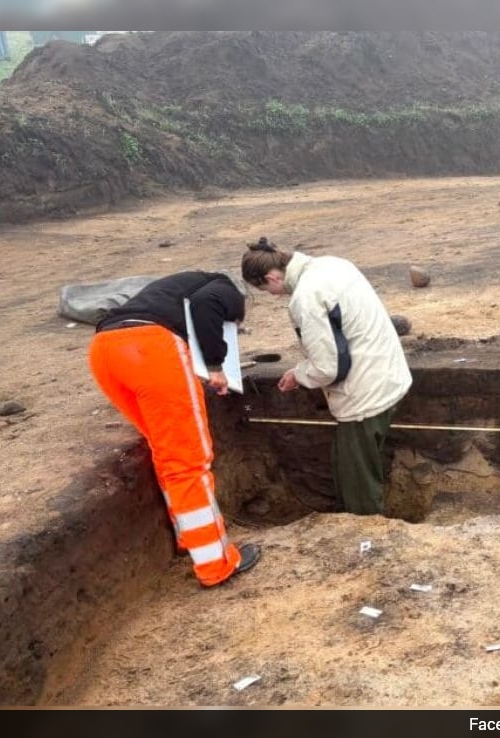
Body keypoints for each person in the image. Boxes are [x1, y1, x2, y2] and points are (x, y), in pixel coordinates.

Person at [88, 271, 261, 587]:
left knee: (166, 450)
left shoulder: (170, 291)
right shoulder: (224, 290)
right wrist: (215, 368)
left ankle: (190, 539)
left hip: (105, 350)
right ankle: (215, 565)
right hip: (149, 350)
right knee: (189, 461)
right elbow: (206, 305)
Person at [242, 237, 412, 515]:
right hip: (389, 374)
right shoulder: (332, 265)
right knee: (347, 461)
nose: (273, 296)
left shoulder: (306, 298)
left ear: (272, 277)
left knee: (358, 482)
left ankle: (365, 534)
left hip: (365, 394)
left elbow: (327, 367)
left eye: (265, 290)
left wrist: (299, 375)